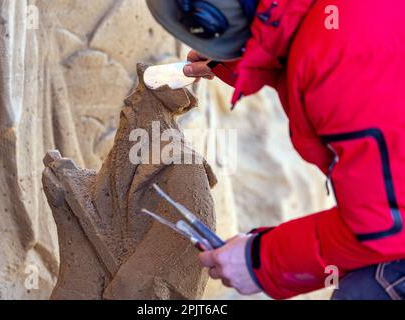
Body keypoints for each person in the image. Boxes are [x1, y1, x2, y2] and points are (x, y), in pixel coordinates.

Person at [146, 0, 405, 300]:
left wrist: (259, 261)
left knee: (366, 291)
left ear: (209, 19)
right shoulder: (338, 30)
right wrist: (243, 54)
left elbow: (388, 224)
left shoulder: (340, 62)